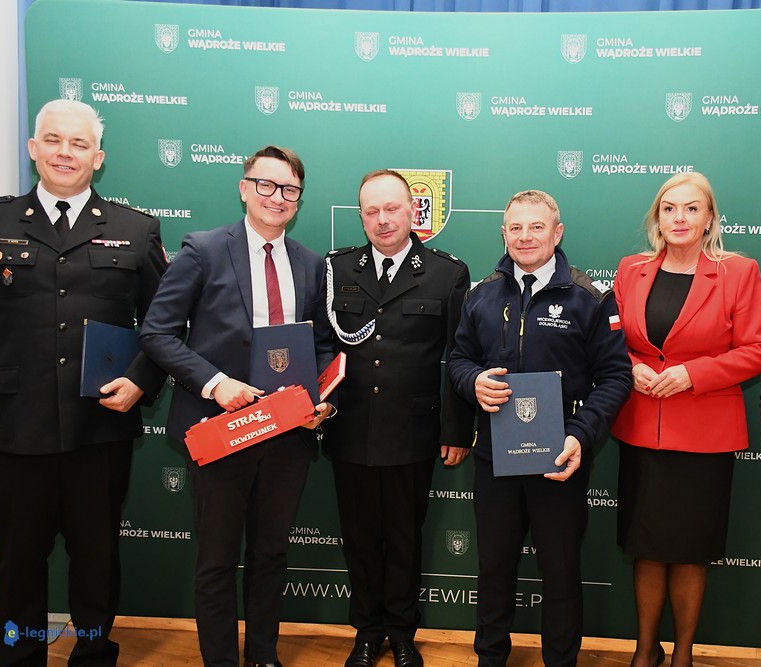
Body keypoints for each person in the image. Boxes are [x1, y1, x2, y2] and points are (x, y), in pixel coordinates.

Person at [0, 99, 167, 665]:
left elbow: (165, 325)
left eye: (79, 143)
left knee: (95, 560)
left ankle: (92, 656)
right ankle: (17, 656)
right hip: (16, 425)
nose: (65, 152)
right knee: (17, 561)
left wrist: (141, 381)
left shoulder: (135, 229)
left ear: (98, 158)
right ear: (33, 148)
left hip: (100, 425)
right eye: (54, 140)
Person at [138, 145, 335, 667]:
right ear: (244, 188)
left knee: (271, 555)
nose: (277, 197)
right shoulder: (202, 249)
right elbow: (157, 333)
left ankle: (264, 656)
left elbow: (318, 346)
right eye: (266, 185)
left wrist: (321, 401)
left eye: (289, 189)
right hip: (221, 430)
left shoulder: (312, 264)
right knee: (217, 561)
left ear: (299, 199)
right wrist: (215, 383)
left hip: (287, 436)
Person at [447, 189, 632, 667]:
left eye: (536, 227)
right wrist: (473, 382)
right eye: (516, 227)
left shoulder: (590, 298)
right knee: (494, 568)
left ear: (557, 232)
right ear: (503, 233)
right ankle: (490, 658)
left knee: (561, 572)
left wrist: (581, 434)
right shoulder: (481, 296)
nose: (525, 236)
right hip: (495, 459)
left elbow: (616, 377)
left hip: (560, 459)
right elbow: (460, 359)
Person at [610, 172, 761, 667]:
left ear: (710, 218)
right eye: (669, 208)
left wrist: (692, 374)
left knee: (690, 551)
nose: (679, 218)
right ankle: (645, 652)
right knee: (646, 547)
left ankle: (683, 655)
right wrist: (631, 367)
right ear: (656, 219)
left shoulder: (738, 272)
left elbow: (759, 349)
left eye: (691, 208)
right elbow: (609, 337)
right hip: (642, 428)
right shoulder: (631, 269)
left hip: (705, 438)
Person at [324, 169, 473, 667]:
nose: (383, 219)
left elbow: (459, 356)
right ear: (361, 216)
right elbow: (321, 344)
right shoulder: (337, 269)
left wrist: (457, 430)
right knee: (360, 538)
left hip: (413, 431)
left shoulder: (447, 273)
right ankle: (367, 633)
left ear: (413, 211)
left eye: (392, 209)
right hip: (350, 427)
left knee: (406, 539)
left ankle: (403, 633)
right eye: (372, 211)